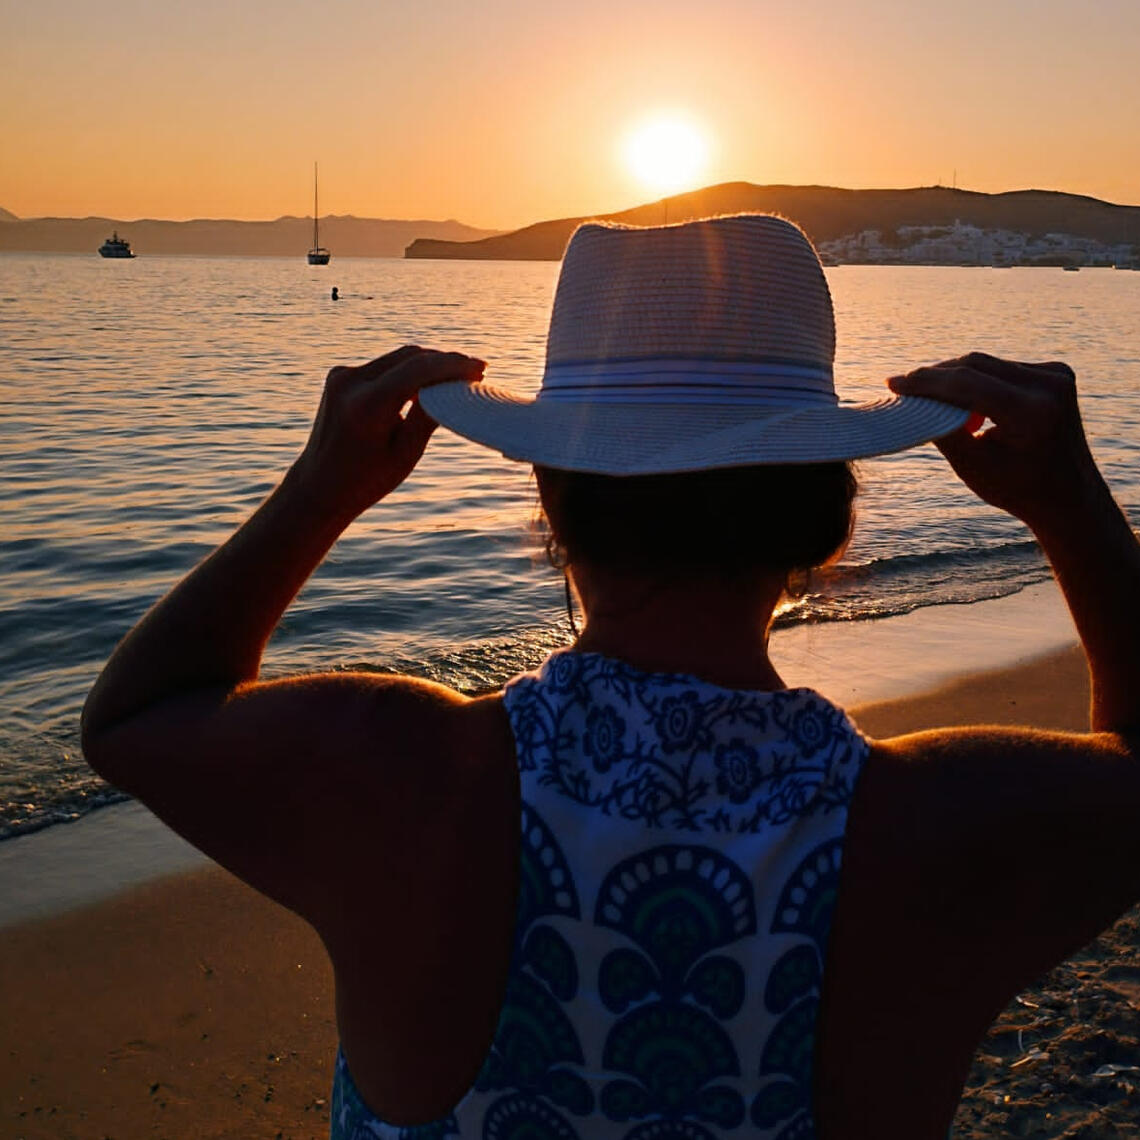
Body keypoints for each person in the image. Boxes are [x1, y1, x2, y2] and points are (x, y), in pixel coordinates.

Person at [82, 215, 1140, 1139]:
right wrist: (1075, 513)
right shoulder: (941, 828)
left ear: (548, 499)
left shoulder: (400, 773)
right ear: (832, 518)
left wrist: (320, 492)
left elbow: (136, 717)